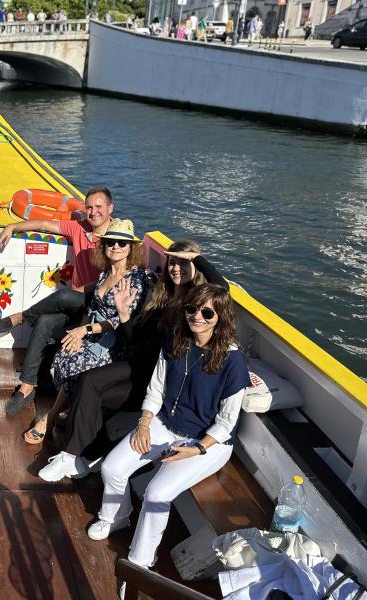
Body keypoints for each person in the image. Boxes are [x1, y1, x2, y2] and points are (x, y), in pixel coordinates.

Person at [88, 283, 249, 570]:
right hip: (164, 423)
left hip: (208, 442)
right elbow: (156, 389)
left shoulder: (232, 359)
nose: (197, 316)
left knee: (156, 494)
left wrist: (196, 449)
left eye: (207, 312)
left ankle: (139, 566)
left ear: (221, 317)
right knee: (112, 467)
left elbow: (226, 423)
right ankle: (116, 517)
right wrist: (145, 423)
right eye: (192, 309)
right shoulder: (176, 341)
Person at [39, 241, 228, 482]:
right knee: (87, 381)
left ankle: (82, 455)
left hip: (164, 380)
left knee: (95, 390)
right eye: (172, 262)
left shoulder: (199, 302)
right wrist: (125, 314)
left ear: (195, 266)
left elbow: (222, 287)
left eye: (183, 263)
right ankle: (78, 456)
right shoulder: (161, 297)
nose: (176, 268)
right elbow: (136, 341)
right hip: (140, 366)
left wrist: (195, 257)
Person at [0, 186, 115, 416]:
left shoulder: (116, 240)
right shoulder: (80, 229)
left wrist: (81, 289)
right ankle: (28, 385)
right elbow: (45, 225)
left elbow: (114, 278)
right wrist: (12, 226)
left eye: (99, 206)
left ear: (110, 208)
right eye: (89, 207)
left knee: (65, 294)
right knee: (45, 322)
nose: (93, 212)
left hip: (99, 308)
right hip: (78, 304)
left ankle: (21, 316)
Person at [25, 220, 149, 444]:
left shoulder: (136, 279)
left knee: (76, 363)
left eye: (122, 243)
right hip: (93, 333)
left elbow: (120, 321)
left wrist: (85, 330)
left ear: (131, 248)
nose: (116, 247)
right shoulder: (104, 274)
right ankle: (68, 407)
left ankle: (49, 417)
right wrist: (78, 333)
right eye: (111, 242)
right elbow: (92, 308)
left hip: (115, 341)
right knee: (64, 352)